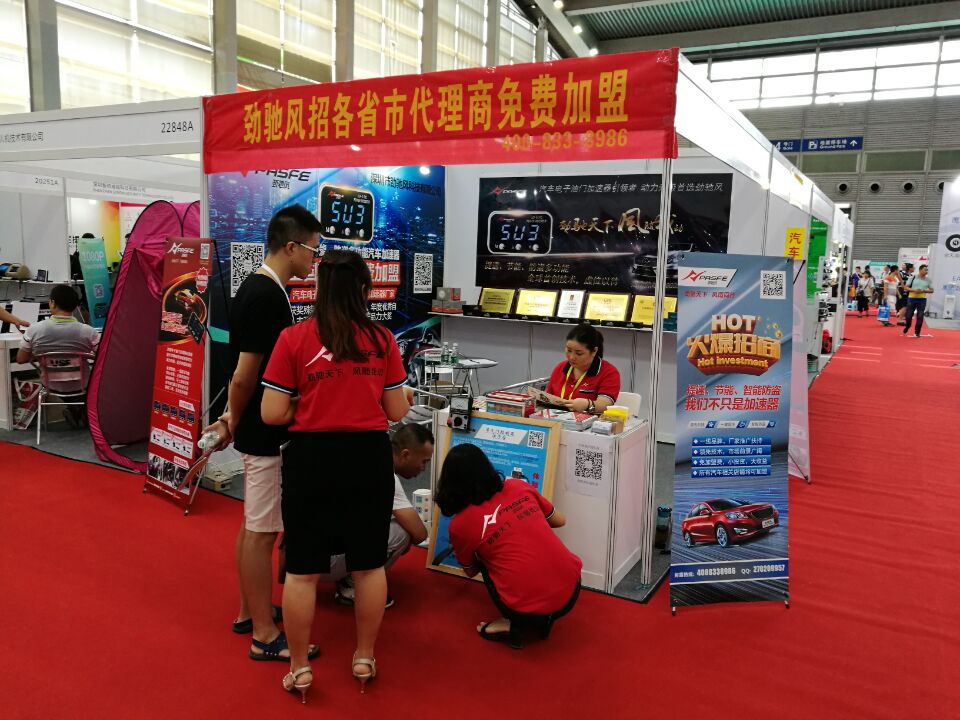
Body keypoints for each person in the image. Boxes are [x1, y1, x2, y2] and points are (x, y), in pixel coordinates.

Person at [261, 249, 410, 703]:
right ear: (365, 290)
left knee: (303, 571)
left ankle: (299, 666)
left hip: (312, 460)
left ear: (319, 288)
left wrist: (308, 404)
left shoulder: (293, 338)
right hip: (368, 458)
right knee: (368, 566)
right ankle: (364, 656)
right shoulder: (383, 339)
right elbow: (396, 410)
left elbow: (271, 413)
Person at [200, 204, 322, 664]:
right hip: (263, 430)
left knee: (254, 526)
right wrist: (231, 418)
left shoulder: (262, 288)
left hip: (257, 424)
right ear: (290, 247)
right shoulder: (266, 295)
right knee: (262, 531)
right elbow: (244, 373)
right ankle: (265, 634)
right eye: (312, 250)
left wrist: (232, 418)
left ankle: (250, 611)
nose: (314, 259)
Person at [436, 443, 582, 651]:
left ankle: (512, 621)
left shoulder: (459, 525)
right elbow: (560, 521)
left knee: (485, 559)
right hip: (573, 588)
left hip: (526, 609)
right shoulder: (518, 486)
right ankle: (539, 609)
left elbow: (470, 571)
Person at [328, 423, 432, 608]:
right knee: (402, 532)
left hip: (302, 555)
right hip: (325, 561)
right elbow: (419, 534)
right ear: (405, 454)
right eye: (424, 461)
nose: (423, 468)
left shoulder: (362, 456)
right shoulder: (385, 475)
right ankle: (353, 586)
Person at [537, 323, 620, 414]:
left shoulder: (609, 372)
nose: (572, 357)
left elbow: (605, 404)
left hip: (590, 421)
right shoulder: (560, 368)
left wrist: (587, 404)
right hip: (556, 419)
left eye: (579, 353)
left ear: (594, 351)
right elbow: (548, 399)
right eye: (569, 350)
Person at [16, 285, 98, 364]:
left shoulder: (34, 330)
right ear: (75, 305)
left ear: (53, 303)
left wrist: (38, 354)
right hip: (81, 374)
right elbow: (102, 356)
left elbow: (21, 359)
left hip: (48, 374)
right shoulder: (89, 332)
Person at [903, 264, 934, 337]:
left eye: (927, 270)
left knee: (920, 316)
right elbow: (906, 287)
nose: (926, 271)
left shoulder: (928, 280)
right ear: (920, 270)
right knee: (908, 316)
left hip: (922, 300)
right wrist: (914, 290)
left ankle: (917, 332)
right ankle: (908, 326)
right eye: (925, 270)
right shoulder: (912, 277)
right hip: (911, 299)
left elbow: (932, 290)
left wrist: (923, 291)